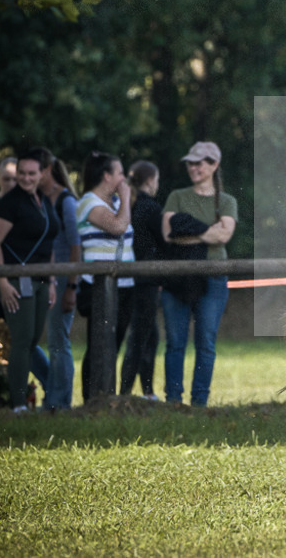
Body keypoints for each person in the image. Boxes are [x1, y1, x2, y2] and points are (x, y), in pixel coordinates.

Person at [161, 141, 237, 407]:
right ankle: (173, 400)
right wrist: (207, 233)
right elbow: (168, 234)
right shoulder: (177, 196)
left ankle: (200, 402)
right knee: (175, 342)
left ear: (214, 165)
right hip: (178, 278)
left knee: (205, 341)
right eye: (190, 163)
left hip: (213, 278)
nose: (193, 167)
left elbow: (225, 234)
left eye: (199, 162)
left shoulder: (226, 201)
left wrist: (189, 230)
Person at [0, 148, 58, 413]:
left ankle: (30, 399)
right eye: (21, 173)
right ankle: (19, 405)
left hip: (42, 279)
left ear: (42, 173)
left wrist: (53, 280)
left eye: (31, 173)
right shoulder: (10, 203)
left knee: (33, 340)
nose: (25, 178)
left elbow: (48, 241)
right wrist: (3, 281)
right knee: (21, 342)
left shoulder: (43, 199)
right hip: (17, 279)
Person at [77, 151, 135, 403]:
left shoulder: (113, 203)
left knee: (114, 342)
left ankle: (107, 397)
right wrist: (126, 197)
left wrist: (121, 200)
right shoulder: (89, 203)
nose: (124, 178)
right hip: (99, 286)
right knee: (99, 345)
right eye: (120, 173)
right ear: (106, 176)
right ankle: (94, 399)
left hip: (124, 284)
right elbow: (118, 226)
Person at [35, 149, 81, 410]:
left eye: (37, 171)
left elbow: (75, 246)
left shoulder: (66, 201)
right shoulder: (39, 198)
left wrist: (71, 286)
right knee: (33, 341)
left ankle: (59, 402)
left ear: (49, 169)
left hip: (63, 275)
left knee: (57, 340)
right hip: (43, 274)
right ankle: (53, 391)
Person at [120, 161, 164, 400]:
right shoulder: (151, 208)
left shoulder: (129, 206)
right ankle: (128, 390)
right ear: (150, 181)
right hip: (145, 281)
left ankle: (146, 390)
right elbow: (163, 242)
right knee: (140, 337)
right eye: (156, 180)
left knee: (148, 335)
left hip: (132, 279)